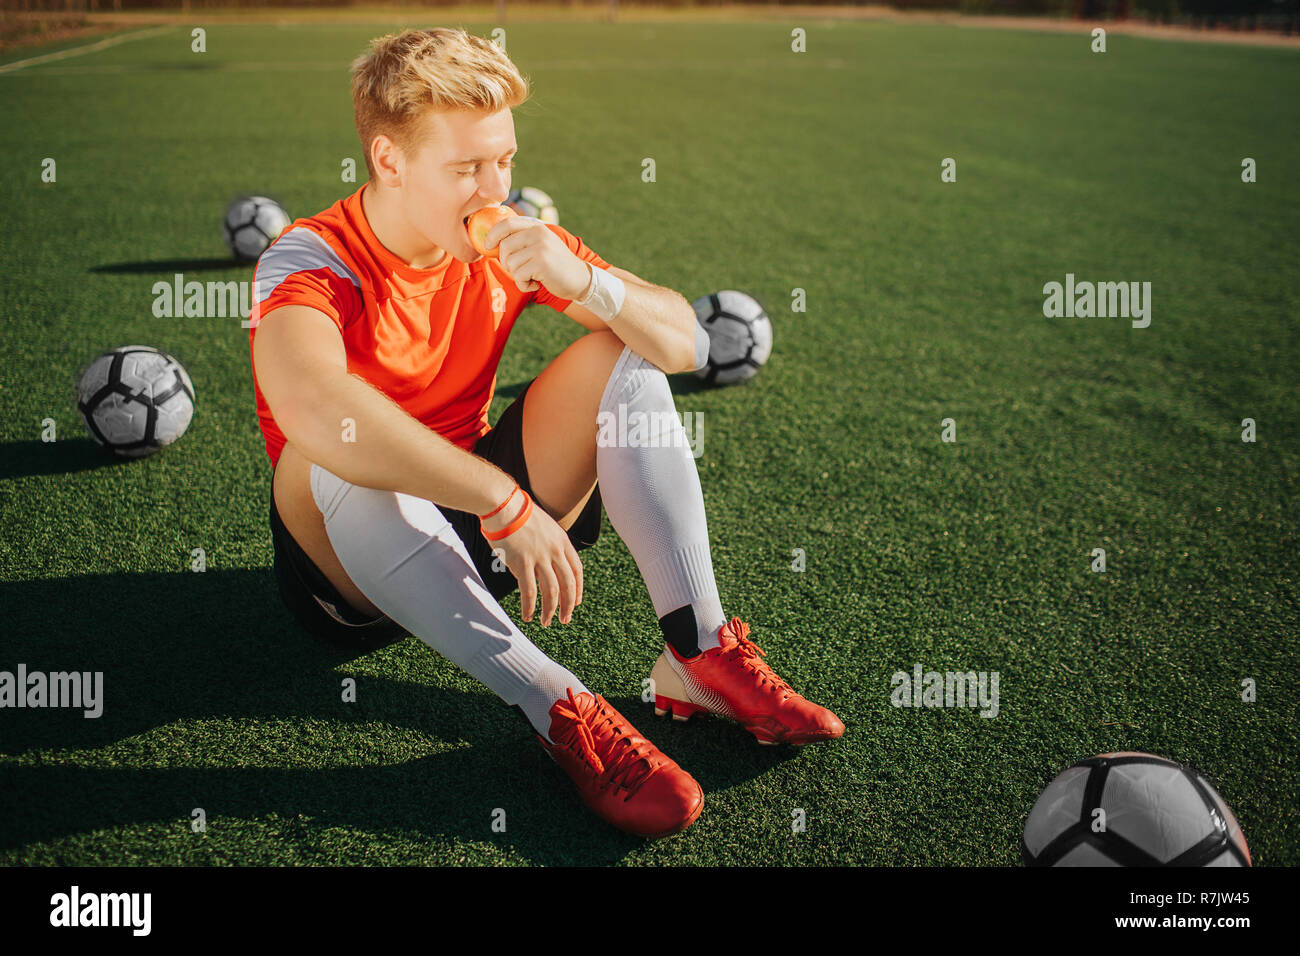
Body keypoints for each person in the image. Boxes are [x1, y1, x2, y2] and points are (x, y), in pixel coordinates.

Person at [249, 27, 843, 839]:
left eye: (505, 160)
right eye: (467, 169)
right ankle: (557, 704)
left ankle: (698, 653)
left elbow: (689, 345)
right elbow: (315, 409)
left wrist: (589, 282)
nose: (495, 190)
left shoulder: (507, 237)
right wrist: (499, 496)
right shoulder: (311, 259)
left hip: (482, 535)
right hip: (351, 574)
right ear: (389, 161)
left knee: (623, 353)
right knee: (336, 456)